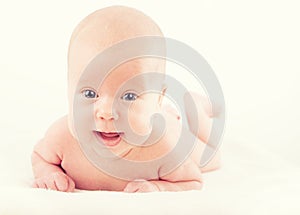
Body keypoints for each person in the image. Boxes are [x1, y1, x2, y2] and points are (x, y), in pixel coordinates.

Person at [31, 5, 220, 192]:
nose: (106, 113)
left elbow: (193, 180)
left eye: (129, 96)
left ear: (159, 98)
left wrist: (157, 187)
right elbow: (40, 156)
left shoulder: (164, 149)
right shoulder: (61, 138)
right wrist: (47, 173)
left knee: (213, 158)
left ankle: (195, 108)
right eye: (90, 94)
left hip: (173, 128)